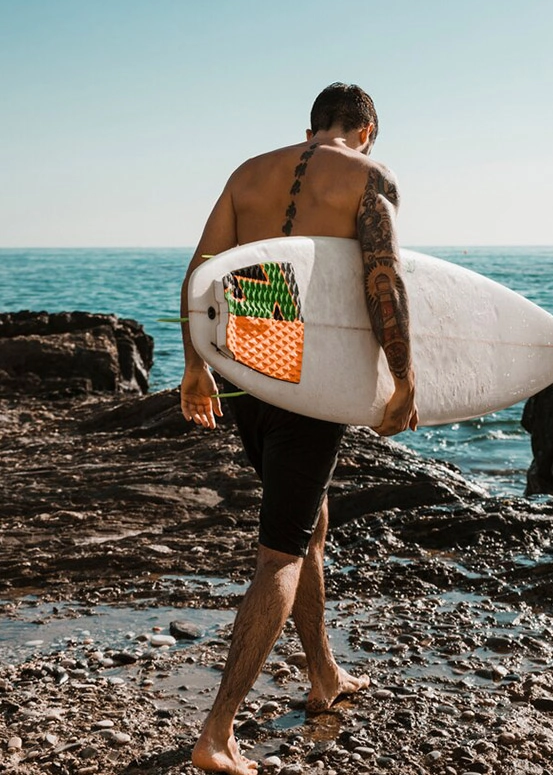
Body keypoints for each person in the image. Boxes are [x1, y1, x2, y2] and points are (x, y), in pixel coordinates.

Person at [179, 82, 418, 774]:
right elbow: (386, 281)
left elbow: (201, 270)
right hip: (308, 377)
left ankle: (323, 675)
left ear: (312, 125)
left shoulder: (248, 173)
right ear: (366, 128)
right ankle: (217, 733)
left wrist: (197, 367)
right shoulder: (370, 176)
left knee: (308, 518)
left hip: (247, 364)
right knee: (280, 549)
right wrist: (402, 378)